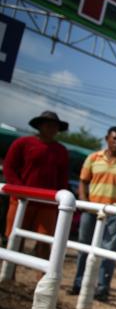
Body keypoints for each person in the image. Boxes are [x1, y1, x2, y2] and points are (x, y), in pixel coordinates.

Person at [71, 127, 116, 301]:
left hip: (115, 212)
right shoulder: (93, 158)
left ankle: (102, 288)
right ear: (107, 138)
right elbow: (83, 182)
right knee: (84, 247)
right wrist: (84, 202)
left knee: (109, 252)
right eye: (115, 138)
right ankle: (78, 284)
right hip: (91, 210)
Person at [2, 111, 70, 267]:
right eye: (48, 124)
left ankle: (42, 278)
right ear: (39, 126)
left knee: (45, 240)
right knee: (14, 237)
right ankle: (8, 274)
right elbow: (9, 167)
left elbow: (62, 178)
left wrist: (60, 198)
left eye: (55, 126)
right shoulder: (23, 143)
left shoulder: (61, 151)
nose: (52, 128)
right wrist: (19, 190)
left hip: (48, 202)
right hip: (22, 199)